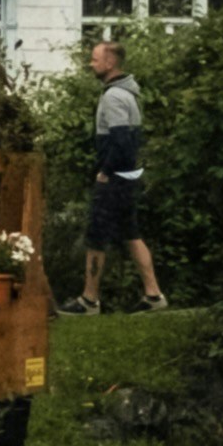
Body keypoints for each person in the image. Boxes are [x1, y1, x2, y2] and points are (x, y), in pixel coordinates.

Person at [69, 37, 163, 314]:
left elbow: (121, 141)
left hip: (115, 178)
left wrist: (105, 172)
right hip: (129, 176)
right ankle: (154, 295)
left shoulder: (113, 96)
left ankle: (89, 300)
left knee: (96, 236)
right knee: (131, 233)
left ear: (110, 63)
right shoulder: (129, 93)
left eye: (95, 59)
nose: (91, 64)